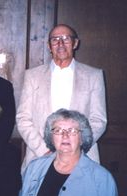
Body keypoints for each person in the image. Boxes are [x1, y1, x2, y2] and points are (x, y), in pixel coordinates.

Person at [16, 24, 107, 173]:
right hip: (39, 158)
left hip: (82, 158)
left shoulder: (94, 76)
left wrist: (76, 149)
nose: (60, 44)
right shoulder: (32, 76)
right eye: (55, 39)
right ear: (49, 46)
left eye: (66, 39)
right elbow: (23, 118)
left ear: (75, 43)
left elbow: (99, 120)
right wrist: (45, 151)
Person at [15, 109, 122, 196]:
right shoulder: (35, 167)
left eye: (72, 131)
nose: (65, 135)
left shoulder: (101, 177)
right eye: (58, 130)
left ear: (82, 138)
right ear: (51, 137)